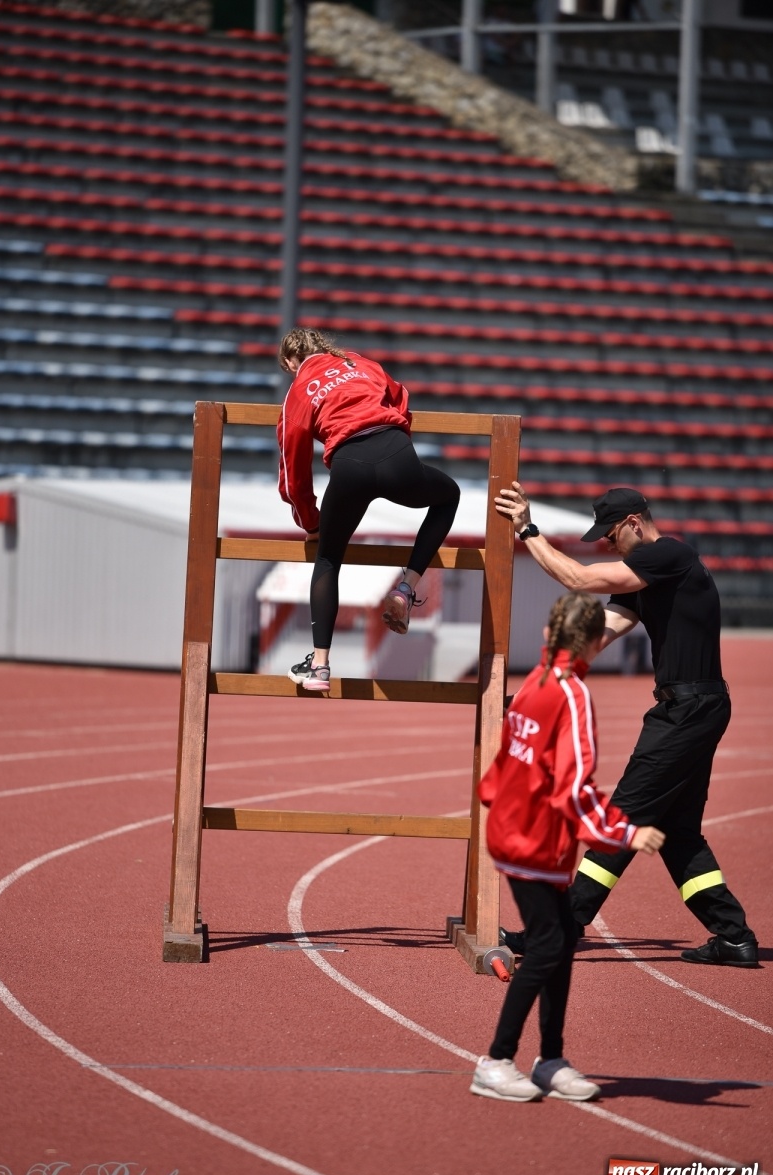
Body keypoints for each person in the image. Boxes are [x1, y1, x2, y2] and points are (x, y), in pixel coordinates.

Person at [494, 482, 759, 968]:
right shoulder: (649, 582)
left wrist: (527, 531)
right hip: (691, 709)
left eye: (613, 537)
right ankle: (733, 936)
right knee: (678, 832)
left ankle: (556, 932)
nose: (609, 547)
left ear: (635, 523)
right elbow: (594, 642)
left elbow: (578, 578)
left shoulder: (668, 555)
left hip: (688, 710)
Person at [471, 593, 665, 1104]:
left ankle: (550, 1059)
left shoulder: (534, 681)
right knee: (547, 948)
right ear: (595, 641)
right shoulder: (571, 693)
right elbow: (574, 788)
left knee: (559, 941)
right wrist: (626, 833)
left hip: (518, 831)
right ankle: (496, 1059)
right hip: (533, 840)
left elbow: (512, 764)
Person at [276, 328, 460, 691]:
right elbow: (401, 396)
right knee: (448, 495)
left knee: (328, 560)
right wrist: (398, 446)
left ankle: (319, 666)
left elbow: (292, 469)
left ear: (289, 362)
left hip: (349, 466)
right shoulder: (360, 362)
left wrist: (310, 521)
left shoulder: (299, 389)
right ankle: (406, 589)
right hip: (395, 454)